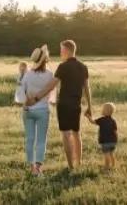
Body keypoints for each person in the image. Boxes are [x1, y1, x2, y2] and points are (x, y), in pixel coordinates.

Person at [26, 39, 91, 170]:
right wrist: (90, 106)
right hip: (76, 105)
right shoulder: (83, 67)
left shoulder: (63, 67)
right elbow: (87, 88)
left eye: (61, 50)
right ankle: (79, 163)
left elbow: (51, 86)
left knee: (66, 135)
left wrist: (37, 97)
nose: (61, 53)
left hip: (64, 105)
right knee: (76, 133)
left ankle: (71, 166)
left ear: (66, 51)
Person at [19, 45, 55, 176]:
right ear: (45, 60)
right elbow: (52, 94)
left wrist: (26, 103)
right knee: (41, 140)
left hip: (28, 110)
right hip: (43, 111)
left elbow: (21, 94)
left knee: (29, 139)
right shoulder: (50, 75)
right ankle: (38, 167)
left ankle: (32, 167)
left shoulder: (28, 75)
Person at [87, 102, 117, 171]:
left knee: (106, 155)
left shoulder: (102, 120)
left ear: (106, 111)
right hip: (113, 141)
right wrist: (115, 140)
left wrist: (88, 117)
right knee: (111, 153)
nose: (102, 110)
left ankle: (106, 167)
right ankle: (113, 165)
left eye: (103, 109)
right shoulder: (113, 121)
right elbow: (115, 131)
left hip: (105, 141)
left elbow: (93, 122)